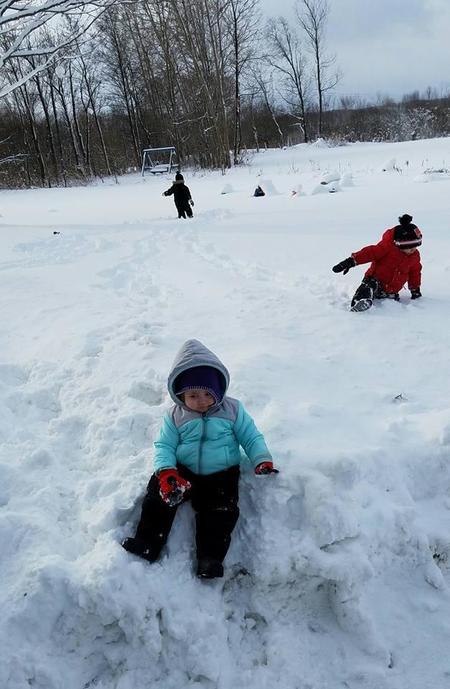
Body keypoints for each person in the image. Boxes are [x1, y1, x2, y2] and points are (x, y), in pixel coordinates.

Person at [122, 339, 278, 579]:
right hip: (183, 471)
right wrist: (165, 472)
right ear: (180, 394)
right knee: (158, 498)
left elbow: (251, 436)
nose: (202, 401)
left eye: (208, 393)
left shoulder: (233, 411)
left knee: (220, 512)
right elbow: (164, 445)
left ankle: (210, 559)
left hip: (222, 473)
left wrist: (261, 459)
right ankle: (148, 543)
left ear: (219, 391)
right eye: (193, 395)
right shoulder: (175, 416)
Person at [332, 214, 423, 312]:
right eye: (409, 247)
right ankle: (360, 302)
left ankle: (387, 297)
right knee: (368, 287)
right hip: (375, 280)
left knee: (390, 298)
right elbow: (368, 253)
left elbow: (415, 273)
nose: (412, 250)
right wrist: (351, 261)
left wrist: (415, 289)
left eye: (415, 247)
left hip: (392, 290)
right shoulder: (386, 248)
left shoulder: (414, 256)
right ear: (399, 243)